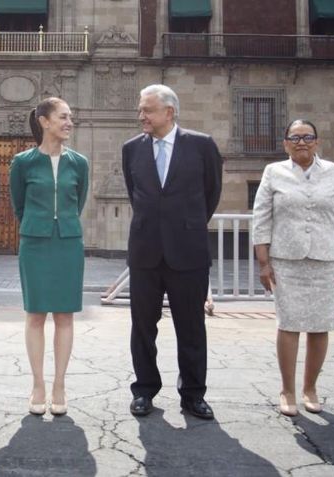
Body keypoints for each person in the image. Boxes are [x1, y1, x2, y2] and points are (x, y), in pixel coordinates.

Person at [122, 84, 223, 420]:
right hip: (145, 252)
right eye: (141, 109)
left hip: (188, 251)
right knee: (142, 327)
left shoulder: (201, 146)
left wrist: (186, 226)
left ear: (169, 112)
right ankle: (144, 390)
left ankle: (193, 395)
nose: (142, 116)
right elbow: (134, 192)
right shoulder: (131, 149)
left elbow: (211, 193)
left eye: (147, 110)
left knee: (191, 327)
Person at [252, 119, 334, 417]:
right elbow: (261, 219)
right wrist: (264, 263)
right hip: (286, 260)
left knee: (320, 324)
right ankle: (287, 391)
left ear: (317, 141)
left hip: (325, 260)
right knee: (288, 324)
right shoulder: (273, 172)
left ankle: (310, 388)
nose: (301, 142)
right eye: (295, 137)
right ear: (285, 143)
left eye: (307, 137)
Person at [9, 97, 88, 416]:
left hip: (68, 243)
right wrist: (39, 224)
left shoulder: (79, 162)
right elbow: (18, 204)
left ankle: (60, 385)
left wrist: (61, 223)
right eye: (63, 117)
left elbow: (78, 201)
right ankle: (37, 385)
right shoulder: (22, 162)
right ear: (44, 121)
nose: (69, 122)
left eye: (71, 117)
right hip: (35, 243)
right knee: (36, 315)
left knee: (65, 315)